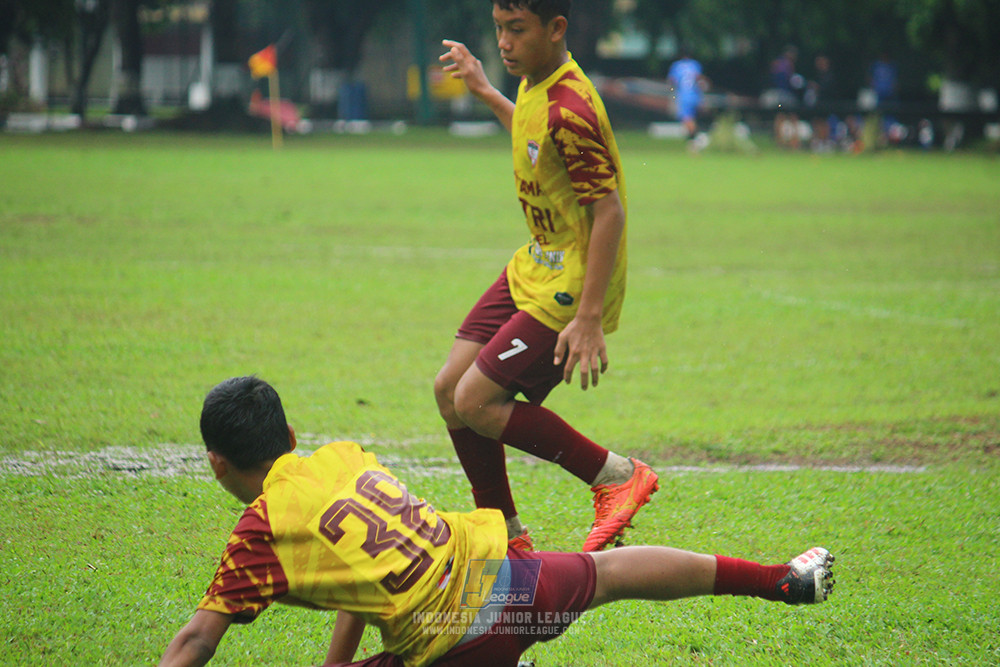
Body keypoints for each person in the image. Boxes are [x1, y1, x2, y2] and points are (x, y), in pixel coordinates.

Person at [159, 376, 837, 667]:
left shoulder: (260, 531)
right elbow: (361, 575)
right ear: (290, 435)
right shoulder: (339, 456)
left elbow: (195, 641)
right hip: (509, 579)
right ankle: (780, 579)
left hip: (459, 642)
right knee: (609, 573)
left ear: (217, 463)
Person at [434, 0, 655, 555]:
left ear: (556, 29)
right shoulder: (536, 83)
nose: (503, 42)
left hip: (571, 281)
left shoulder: (571, 108)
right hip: (537, 262)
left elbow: (609, 212)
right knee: (450, 390)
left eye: (517, 29)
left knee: (475, 401)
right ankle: (505, 534)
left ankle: (616, 476)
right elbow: (534, 138)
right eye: (498, 29)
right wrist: (486, 91)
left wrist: (589, 317)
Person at [666, 48, 709, 146]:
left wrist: (672, 94)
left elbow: (672, 82)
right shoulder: (695, 64)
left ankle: (697, 138)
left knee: (687, 119)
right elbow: (699, 80)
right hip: (695, 95)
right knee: (691, 118)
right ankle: (693, 140)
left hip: (684, 96)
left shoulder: (676, 66)